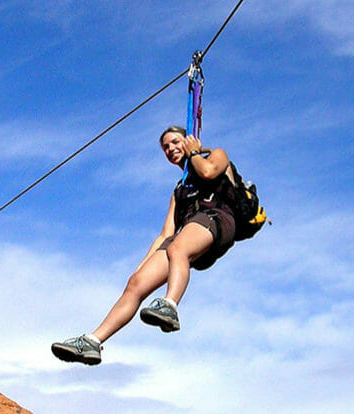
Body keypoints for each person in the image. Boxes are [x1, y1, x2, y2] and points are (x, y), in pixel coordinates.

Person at [52, 126, 240, 366]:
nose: (171, 149)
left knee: (178, 247)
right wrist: (141, 266)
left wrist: (194, 153)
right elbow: (165, 234)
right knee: (136, 283)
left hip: (218, 219)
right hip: (192, 231)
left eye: (175, 142)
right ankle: (93, 341)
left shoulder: (216, 155)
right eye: (165, 147)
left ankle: (170, 306)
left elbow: (209, 172)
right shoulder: (179, 190)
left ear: (190, 140)